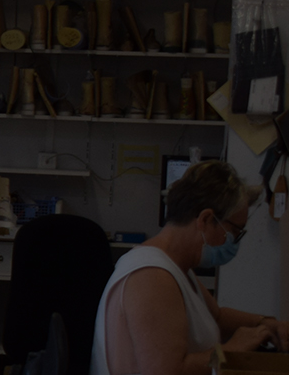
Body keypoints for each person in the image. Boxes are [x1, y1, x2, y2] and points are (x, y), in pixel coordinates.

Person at [93, 160, 288, 374]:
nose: (234, 241)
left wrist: (265, 324)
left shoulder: (177, 267)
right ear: (205, 219)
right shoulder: (152, 277)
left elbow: (216, 317)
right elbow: (168, 371)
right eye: (234, 231)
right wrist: (232, 349)